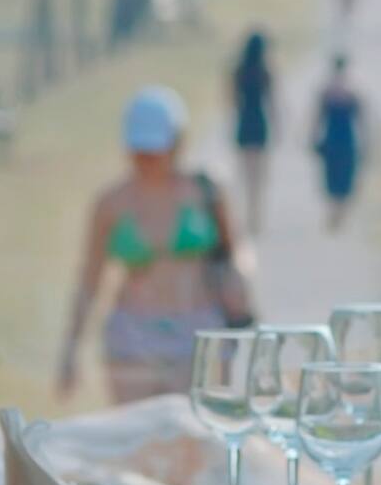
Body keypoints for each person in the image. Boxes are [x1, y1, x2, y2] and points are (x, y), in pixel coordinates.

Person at [59, 87, 247, 404]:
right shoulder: (111, 203)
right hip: (132, 339)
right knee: (135, 440)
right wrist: (71, 348)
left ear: (176, 142)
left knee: (198, 441)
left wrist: (239, 299)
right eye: (139, 149)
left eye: (154, 149)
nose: (146, 159)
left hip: (198, 331)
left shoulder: (206, 191)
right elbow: (90, 278)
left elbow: (235, 253)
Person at [229, 30, 278, 236]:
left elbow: (230, 100)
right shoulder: (266, 71)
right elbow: (272, 103)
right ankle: (255, 215)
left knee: (245, 173)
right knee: (259, 176)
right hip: (259, 123)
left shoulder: (238, 71)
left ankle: (245, 215)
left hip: (244, 122)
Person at [312, 55, 368, 233]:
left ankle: (334, 213)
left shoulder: (326, 91)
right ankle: (339, 215)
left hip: (331, 140)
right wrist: (366, 142)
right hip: (347, 140)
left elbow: (316, 118)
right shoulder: (353, 91)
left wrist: (312, 138)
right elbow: (362, 121)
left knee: (332, 178)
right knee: (345, 179)